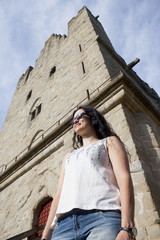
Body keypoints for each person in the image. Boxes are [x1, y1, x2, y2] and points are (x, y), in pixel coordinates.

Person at [41, 106, 137, 240]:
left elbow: (124, 178)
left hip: (103, 219)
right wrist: (46, 235)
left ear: (92, 118)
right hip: (64, 227)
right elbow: (58, 195)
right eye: (73, 119)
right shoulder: (68, 156)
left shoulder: (109, 142)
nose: (75, 120)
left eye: (80, 116)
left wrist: (127, 227)